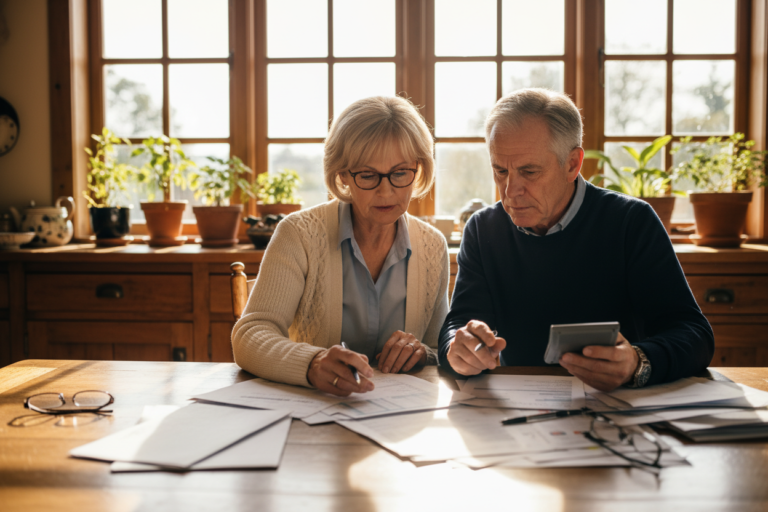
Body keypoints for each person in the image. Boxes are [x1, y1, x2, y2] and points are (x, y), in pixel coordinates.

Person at [438, 88, 714, 392]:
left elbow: (694, 334)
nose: (510, 190)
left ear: (572, 164)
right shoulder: (482, 229)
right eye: (500, 171)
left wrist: (637, 362)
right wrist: (457, 346)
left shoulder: (631, 222)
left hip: (615, 408)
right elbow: (459, 324)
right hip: (516, 411)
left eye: (529, 171)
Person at [233, 96, 450, 397]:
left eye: (400, 173)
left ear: (419, 169)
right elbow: (249, 336)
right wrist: (312, 363)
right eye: (367, 175)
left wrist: (420, 352)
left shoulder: (433, 246)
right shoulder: (298, 234)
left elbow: (440, 349)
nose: (386, 191)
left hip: (399, 418)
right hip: (313, 414)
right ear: (343, 175)